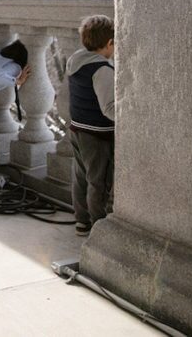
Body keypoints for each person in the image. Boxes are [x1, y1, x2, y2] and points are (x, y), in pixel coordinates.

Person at [66, 15, 115, 237]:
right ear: (110, 43)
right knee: (98, 182)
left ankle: (82, 221)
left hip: (77, 128)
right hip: (96, 134)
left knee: (81, 176)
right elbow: (109, 108)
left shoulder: (76, 61)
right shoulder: (102, 69)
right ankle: (98, 228)